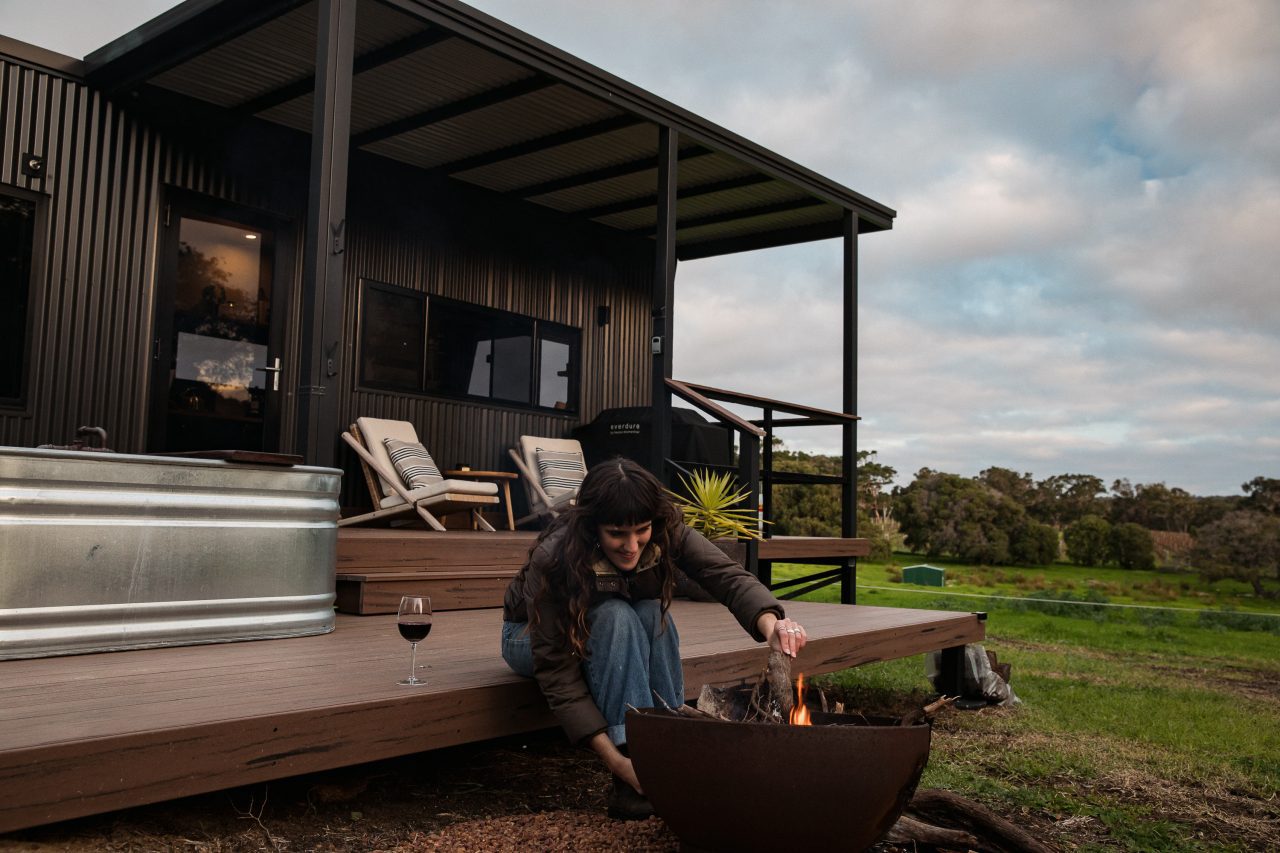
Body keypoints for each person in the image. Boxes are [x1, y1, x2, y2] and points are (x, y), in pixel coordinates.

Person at [500, 457, 808, 820]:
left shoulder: (666, 527)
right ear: (592, 526)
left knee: (650, 613)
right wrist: (617, 763)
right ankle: (632, 770)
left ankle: (673, 742)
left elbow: (724, 574)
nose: (631, 545)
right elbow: (555, 671)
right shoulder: (555, 556)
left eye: (641, 531)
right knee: (616, 617)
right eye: (617, 533)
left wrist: (772, 625)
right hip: (528, 637)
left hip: (611, 630)